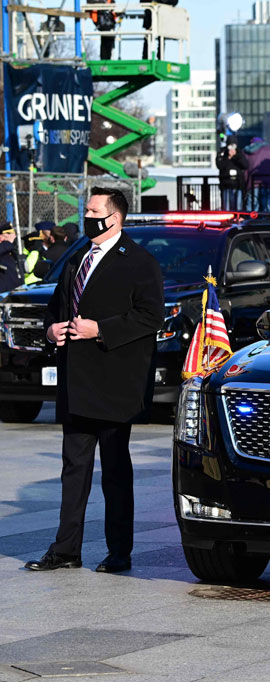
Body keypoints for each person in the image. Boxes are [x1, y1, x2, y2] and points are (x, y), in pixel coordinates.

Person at [25, 187, 164, 574]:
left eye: (91, 210)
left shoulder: (138, 262)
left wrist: (99, 329)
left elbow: (151, 317)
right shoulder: (76, 258)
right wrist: (51, 331)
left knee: (115, 472)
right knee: (74, 468)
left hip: (115, 384)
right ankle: (66, 549)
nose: (85, 215)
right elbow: (56, 308)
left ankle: (119, 550)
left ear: (114, 217)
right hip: (76, 381)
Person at [244, 137, 270, 212]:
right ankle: (267, 222)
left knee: (252, 207)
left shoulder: (247, 151)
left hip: (252, 182)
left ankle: (251, 222)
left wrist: (245, 183)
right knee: (267, 206)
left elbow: (244, 169)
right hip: (268, 181)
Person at [216, 140, 248, 211]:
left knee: (238, 204)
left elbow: (245, 165)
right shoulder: (224, 154)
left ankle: (237, 216)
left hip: (238, 184)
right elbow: (220, 165)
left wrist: (235, 156)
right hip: (226, 183)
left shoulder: (239, 154)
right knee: (226, 205)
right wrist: (227, 157)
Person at [0, 226, 21, 293]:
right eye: (8, 234)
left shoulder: (9, 250)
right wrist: (7, 243)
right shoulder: (5, 247)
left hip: (14, 290)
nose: (13, 236)